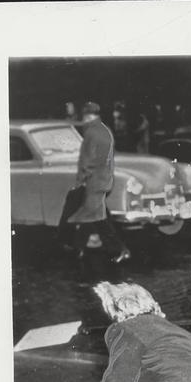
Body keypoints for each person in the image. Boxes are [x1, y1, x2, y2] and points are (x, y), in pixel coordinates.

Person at [64, 101, 131, 264]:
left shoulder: (91, 133)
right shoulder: (105, 130)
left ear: (86, 116)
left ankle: (119, 249)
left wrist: (80, 181)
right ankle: (77, 249)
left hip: (94, 181)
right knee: (94, 216)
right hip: (105, 179)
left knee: (96, 218)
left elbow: (86, 161)